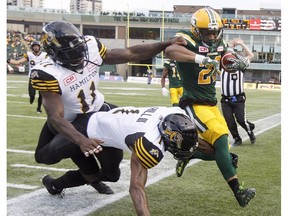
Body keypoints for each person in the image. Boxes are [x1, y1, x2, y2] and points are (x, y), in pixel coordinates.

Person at [30, 21, 187, 195]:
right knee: (44, 157)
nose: (78, 57)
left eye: (79, 51)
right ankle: (59, 184)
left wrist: (166, 43)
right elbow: (55, 118)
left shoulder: (90, 46)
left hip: (99, 113)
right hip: (70, 124)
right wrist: (81, 140)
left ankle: (81, 179)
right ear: (53, 53)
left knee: (112, 174)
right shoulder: (47, 73)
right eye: (70, 54)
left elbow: (131, 53)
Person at [164, 7, 255, 207]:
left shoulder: (219, 42)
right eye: (208, 32)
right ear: (197, 30)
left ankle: (188, 154)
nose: (213, 36)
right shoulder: (186, 38)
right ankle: (239, 192)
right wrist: (200, 58)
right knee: (222, 139)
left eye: (215, 32)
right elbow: (169, 50)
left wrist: (235, 61)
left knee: (219, 152)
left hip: (211, 103)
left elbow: (226, 57)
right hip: (193, 103)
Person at [39, 106, 199, 215]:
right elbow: (136, 187)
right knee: (42, 156)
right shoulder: (148, 142)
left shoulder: (174, 113)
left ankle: (90, 176)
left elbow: (191, 138)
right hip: (88, 128)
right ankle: (54, 184)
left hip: (109, 132)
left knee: (112, 175)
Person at [220, 38, 256, 146]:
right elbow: (219, 50)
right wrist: (229, 44)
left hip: (238, 98)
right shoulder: (221, 64)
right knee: (229, 121)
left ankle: (250, 132)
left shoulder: (241, 65)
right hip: (225, 99)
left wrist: (242, 43)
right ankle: (237, 139)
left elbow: (251, 56)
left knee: (241, 120)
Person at [7, 41, 47, 113]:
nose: (36, 47)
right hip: (32, 77)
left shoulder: (44, 55)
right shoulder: (29, 55)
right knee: (32, 94)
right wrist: (8, 60)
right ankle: (32, 98)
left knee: (41, 95)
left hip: (41, 77)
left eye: (37, 46)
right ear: (32, 47)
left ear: (39, 47)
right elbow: (18, 62)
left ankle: (38, 108)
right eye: (34, 46)